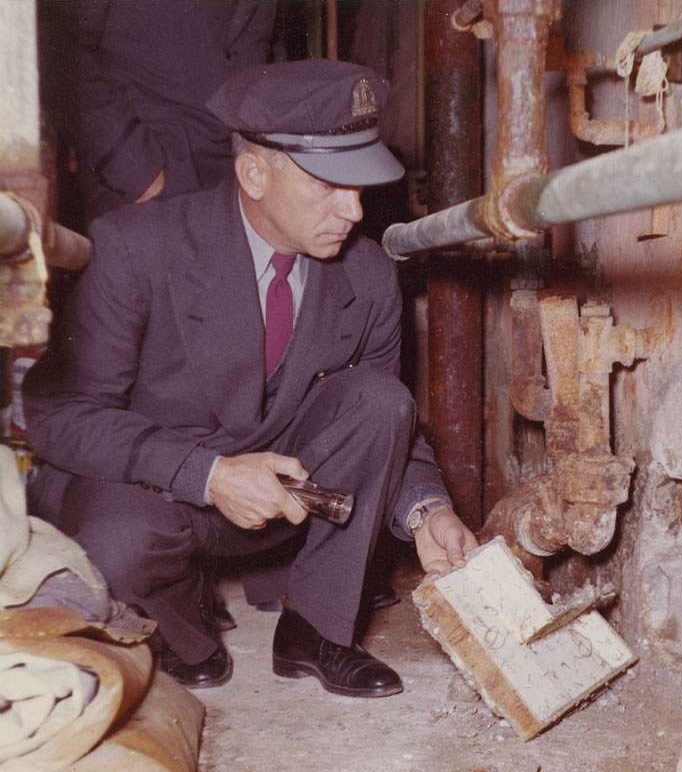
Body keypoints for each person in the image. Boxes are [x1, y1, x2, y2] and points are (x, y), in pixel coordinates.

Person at [23, 58, 479, 696]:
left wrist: (426, 509)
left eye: (361, 186)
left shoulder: (368, 274)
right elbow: (61, 417)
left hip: (285, 504)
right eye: (329, 185)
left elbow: (383, 424)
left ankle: (317, 630)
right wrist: (207, 476)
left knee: (381, 400)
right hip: (162, 493)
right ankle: (180, 630)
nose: (353, 210)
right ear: (253, 173)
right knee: (115, 543)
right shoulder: (136, 248)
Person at [76, 0, 280, 219]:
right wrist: (134, 167)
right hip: (151, 176)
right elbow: (59, 43)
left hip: (239, 178)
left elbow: (263, 49)